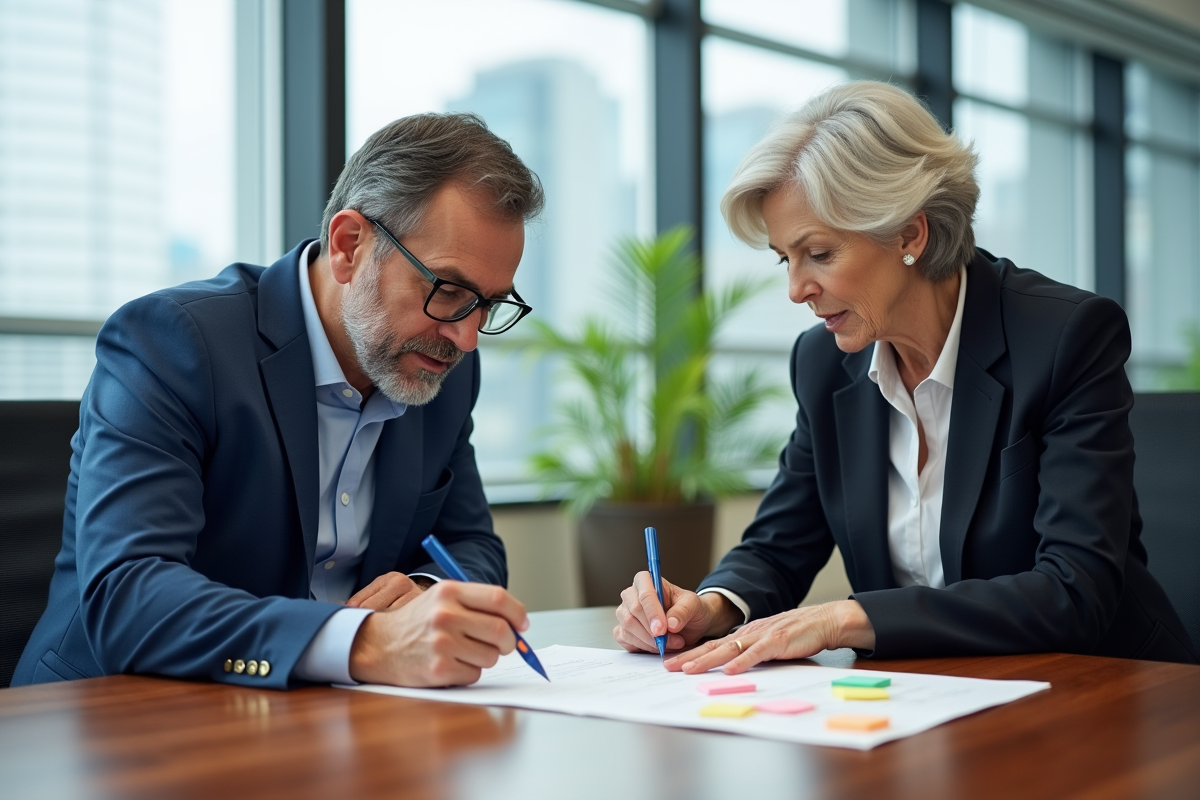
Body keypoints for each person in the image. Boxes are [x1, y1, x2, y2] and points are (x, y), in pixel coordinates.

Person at [614, 81, 1198, 672]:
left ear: (908, 235)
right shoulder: (824, 364)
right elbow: (777, 546)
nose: (796, 290)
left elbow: (1075, 590)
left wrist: (848, 618)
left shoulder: (1064, 338)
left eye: (818, 253)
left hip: (1103, 694)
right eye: (784, 258)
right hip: (930, 699)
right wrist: (709, 607)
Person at [14, 113, 545, 689]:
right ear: (349, 247)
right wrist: (362, 642)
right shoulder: (171, 343)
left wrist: (424, 592)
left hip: (325, 720)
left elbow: (472, 545)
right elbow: (128, 595)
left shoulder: (440, 370)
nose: (466, 337)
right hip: (111, 719)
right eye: (447, 291)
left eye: (488, 304)